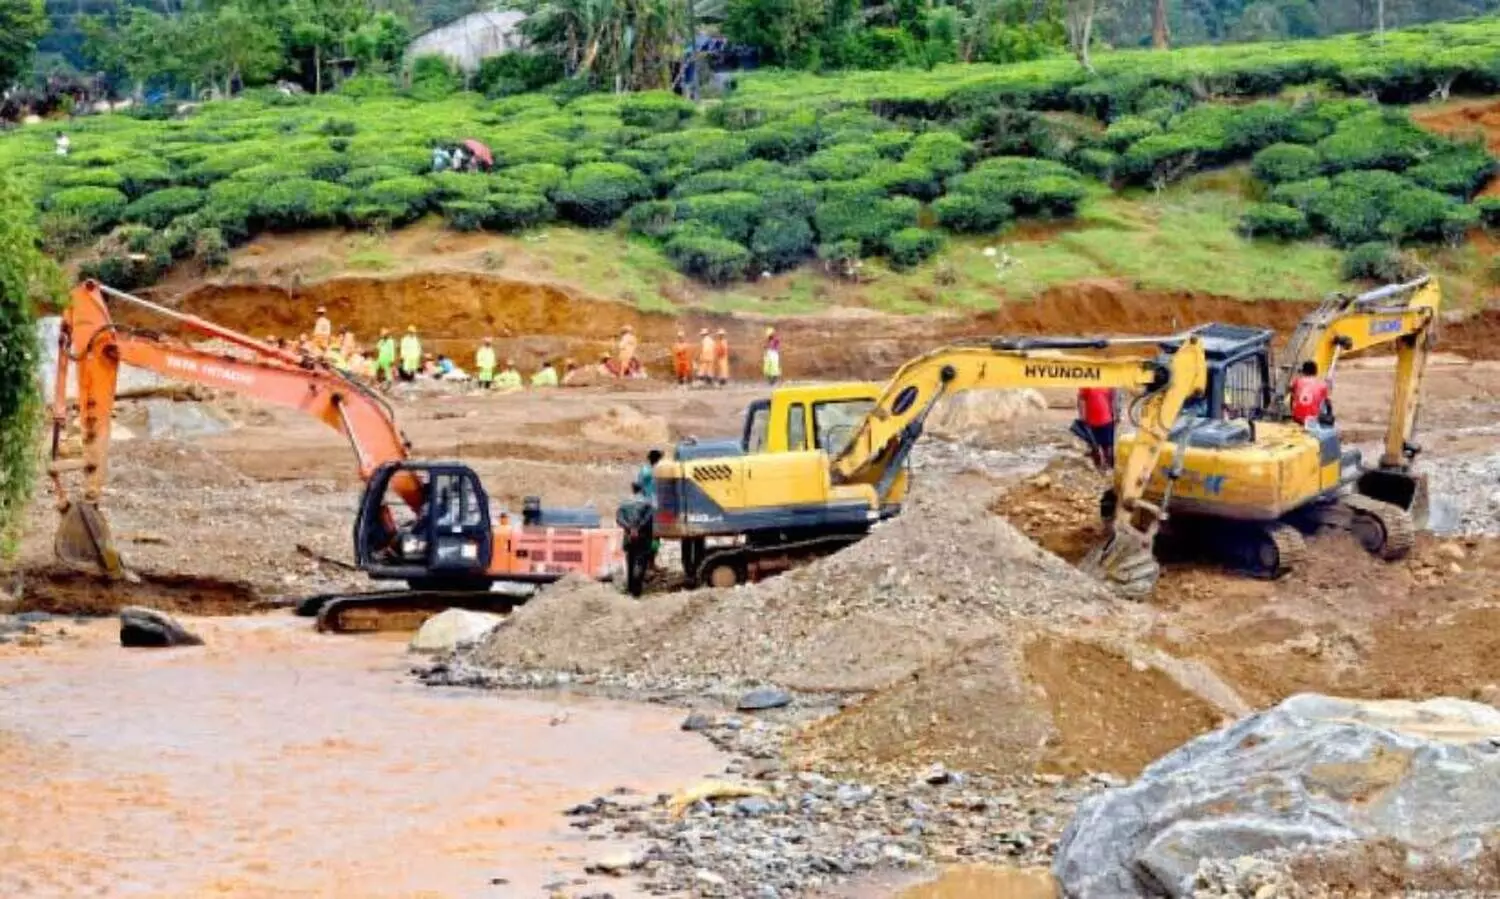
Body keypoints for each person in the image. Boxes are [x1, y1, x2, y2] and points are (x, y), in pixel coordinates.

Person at [615, 481, 655, 598]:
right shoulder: (647, 503)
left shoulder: (624, 503)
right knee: (640, 562)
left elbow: (619, 518)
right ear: (642, 490)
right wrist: (637, 528)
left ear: (632, 490)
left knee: (630, 562)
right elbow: (649, 519)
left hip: (628, 538)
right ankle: (637, 591)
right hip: (643, 538)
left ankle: (630, 588)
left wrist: (629, 528)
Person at [1077, 386, 1117, 471]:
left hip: (1107, 421)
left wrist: (1116, 415)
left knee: (1108, 449)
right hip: (1091, 422)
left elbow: (1113, 399)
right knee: (1094, 449)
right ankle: (1097, 469)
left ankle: (1109, 470)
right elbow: (1081, 399)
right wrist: (1082, 417)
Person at [1289, 360, 1331, 426]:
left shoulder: (1297, 381)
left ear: (1303, 371)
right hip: (1313, 419)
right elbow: (1327, 403)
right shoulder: (1322, 384)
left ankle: (1293, 413)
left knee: (1293, 395)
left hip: (1297, 418)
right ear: (1316, 372)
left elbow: (1291, 389)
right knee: (1325, 401)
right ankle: (1327, 421)